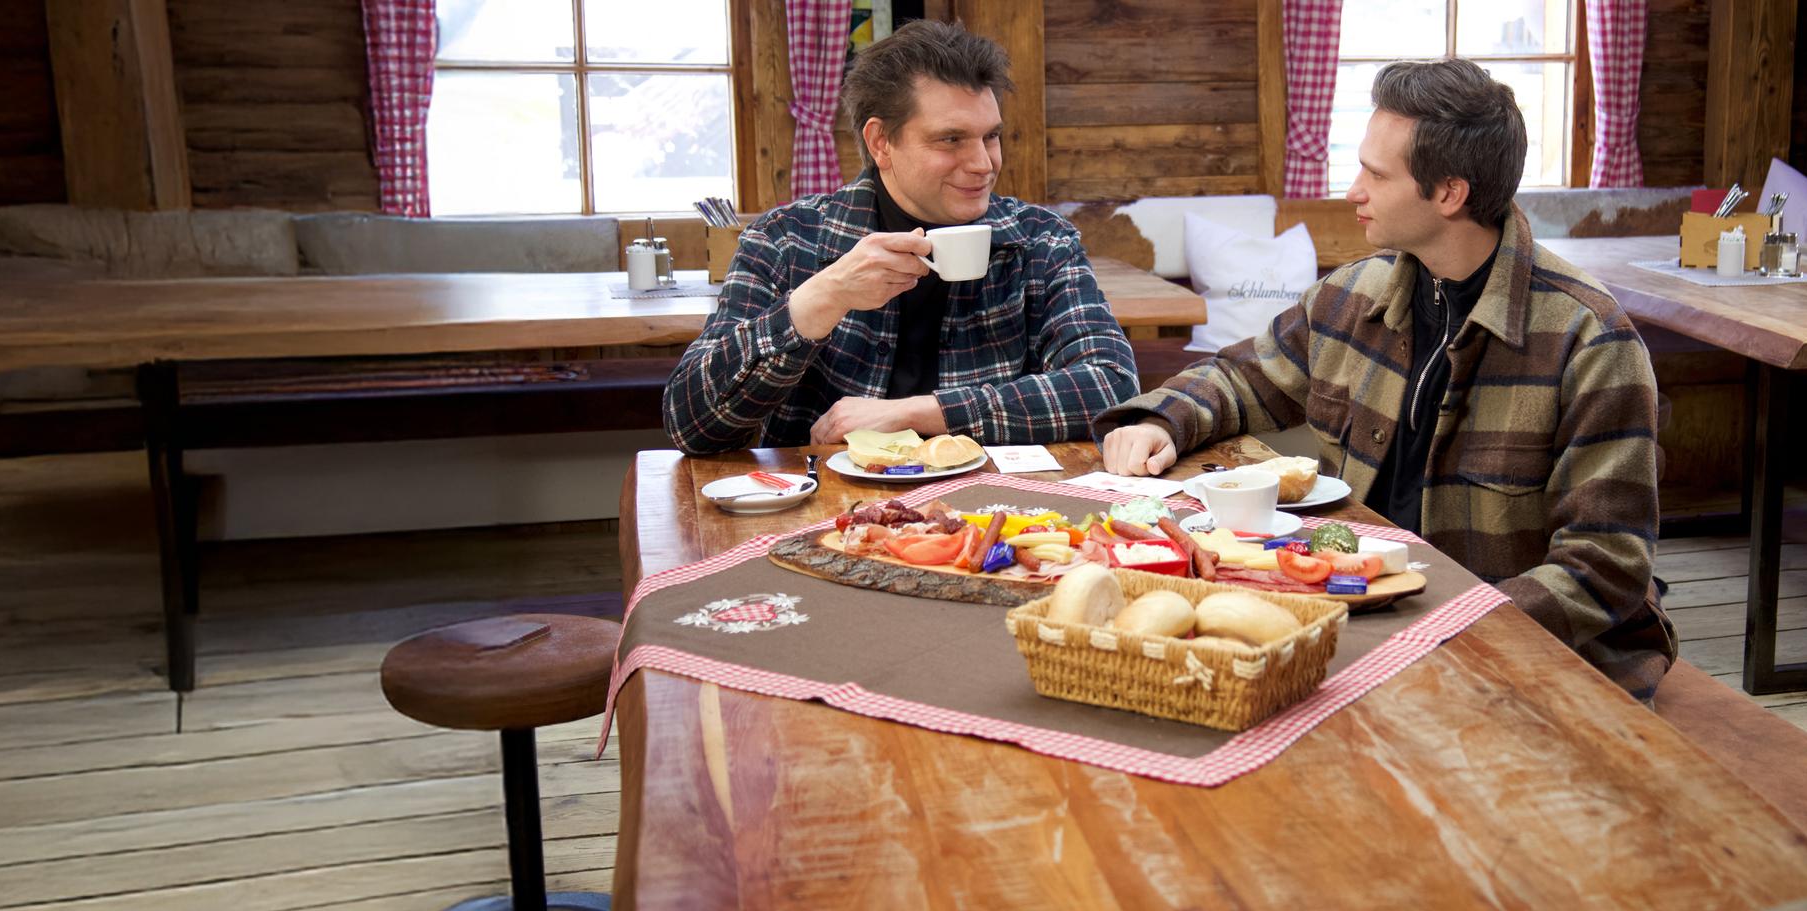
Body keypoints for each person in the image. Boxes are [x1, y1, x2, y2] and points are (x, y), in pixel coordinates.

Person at [1095, 59, 1676, 701]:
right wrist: (1159, 418)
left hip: (1526, 662)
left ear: (1449, 193)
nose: (1353, 191)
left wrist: (1441, 627)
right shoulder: (1352, 294)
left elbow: (1604, 568)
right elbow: (1241, 377)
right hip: (1368, 622)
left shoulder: (1590, 340)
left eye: (1375, 173)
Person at [663, 20, 1138, 455]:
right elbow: (693, 426)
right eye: (951, 139)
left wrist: (925, 412)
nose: (983, 164)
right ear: (880, 143)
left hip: (992, 509)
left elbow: (1112, 387)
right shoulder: (785, 240)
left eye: (990, 137)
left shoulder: (1042, 240)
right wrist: (820, 300)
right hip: (823, 510)